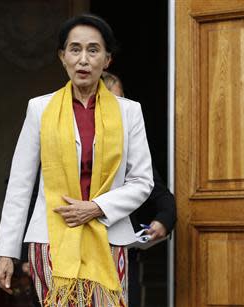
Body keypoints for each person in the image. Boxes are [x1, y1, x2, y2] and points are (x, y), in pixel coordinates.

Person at [0, 14, 154, 307]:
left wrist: (96, 208)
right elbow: (20, 184)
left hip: (108, 238)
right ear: (62, 57)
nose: (83, 59)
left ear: (106, 60)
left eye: (93, 50)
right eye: (75, 49)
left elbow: (142, 182)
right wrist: (6, 251)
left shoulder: (129, 112)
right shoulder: (39, 109)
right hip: (50, 241)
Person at [101, 71, 176, 306]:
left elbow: (161, 195)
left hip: (122, 257)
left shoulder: (131, 148)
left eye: (123, 101)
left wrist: (163, 220)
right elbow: (36, 197)